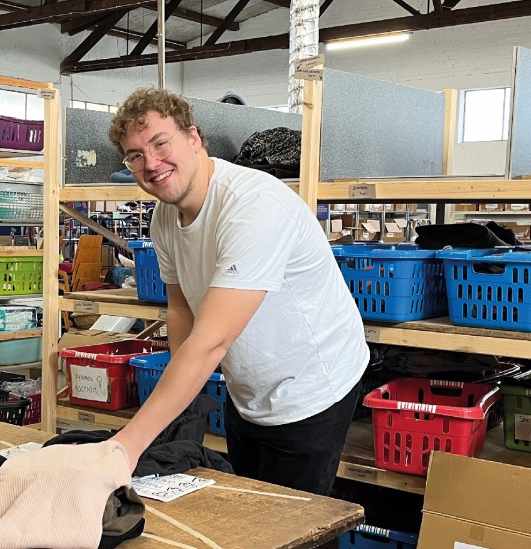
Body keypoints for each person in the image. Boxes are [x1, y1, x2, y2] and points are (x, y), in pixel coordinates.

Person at [106, 87, 367, 496]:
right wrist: (181, 400)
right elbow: (181, 311)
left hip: (310, 385)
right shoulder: (164, 218)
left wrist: (125, 447)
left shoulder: (253, 205)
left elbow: (212, 341)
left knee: (295, 527)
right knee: (250, 510)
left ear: (194, 138)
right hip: (247, 388)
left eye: (160, 143)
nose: (151, 164)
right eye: (135, 156)